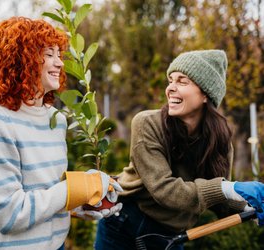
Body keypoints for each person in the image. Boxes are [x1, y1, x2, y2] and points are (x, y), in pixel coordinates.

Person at [0, 16, 122, 250]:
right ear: (20, 60)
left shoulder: (53, 119)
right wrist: (76, 187)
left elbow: (47, 194)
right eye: (48, 54)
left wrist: (83, 203)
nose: (59, 63)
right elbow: (9, 215)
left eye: (59, 54)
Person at [95, 50, 264, 250]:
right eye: (171, 80)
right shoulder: (147, 123)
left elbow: (218, 200)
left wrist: (249, 208)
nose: (170, 88)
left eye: (182, 81)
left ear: (205, 95)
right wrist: (229, 187)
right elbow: (164, 190)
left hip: (171, 236)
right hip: (124, 224)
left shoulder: (220, 140)